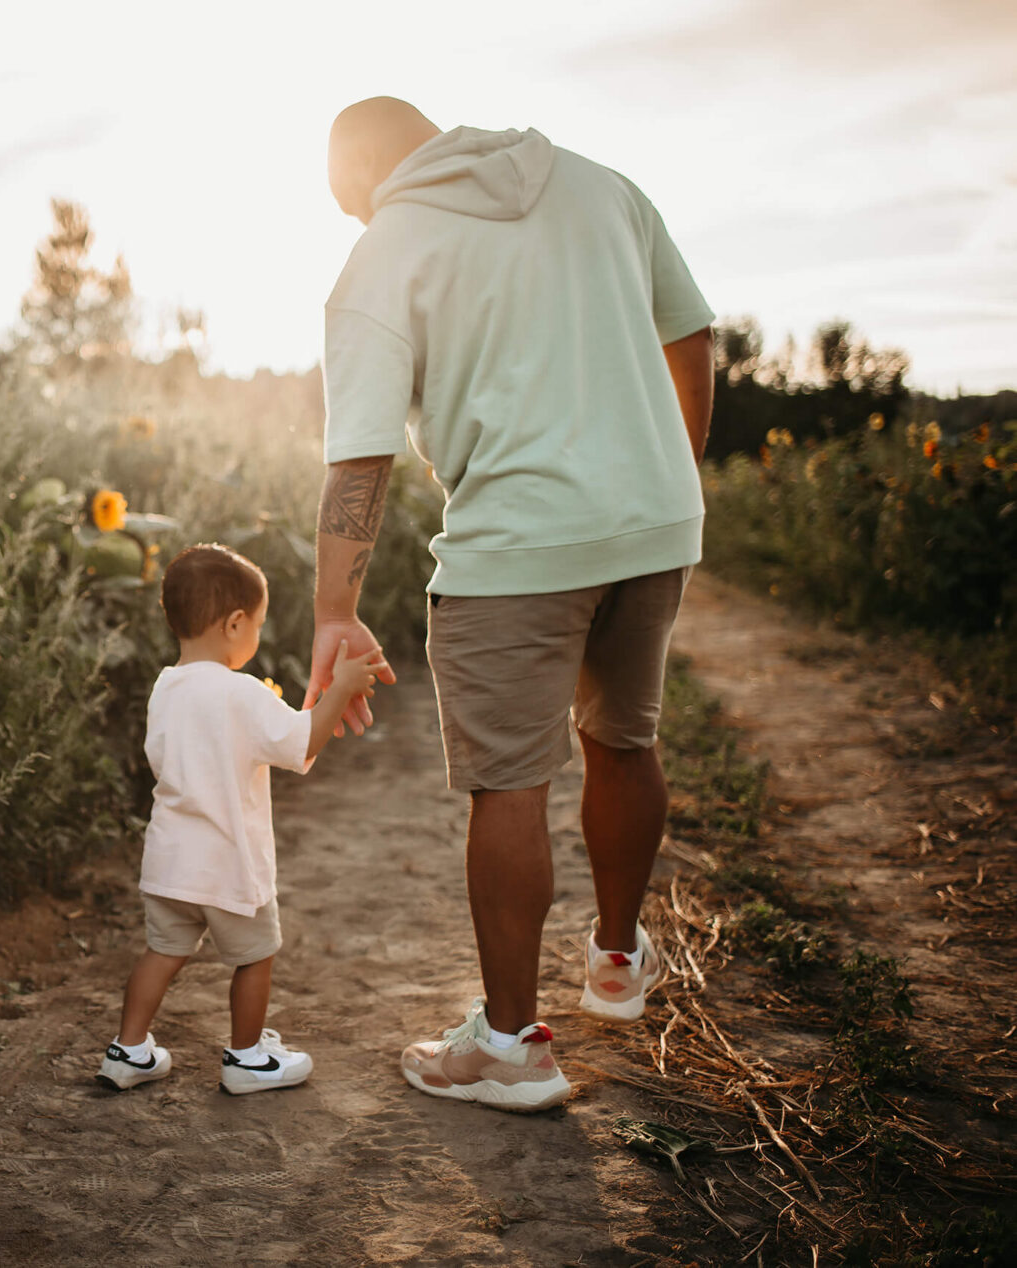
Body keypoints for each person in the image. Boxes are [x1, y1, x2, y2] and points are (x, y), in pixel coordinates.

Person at [303, 98, 716, 1112]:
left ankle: (508, 1044)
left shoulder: (385, 250)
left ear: (360, 176)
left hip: (515, 547)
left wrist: (331, 610)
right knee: (625, 738)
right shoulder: (600, 184)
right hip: (651, 524)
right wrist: (671, 474)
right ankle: (616, 962)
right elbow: (691, 332)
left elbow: (361, 454)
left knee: (510, 785)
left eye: (350, 203)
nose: (360, 220)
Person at [97, 543, 386, 1095]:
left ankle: (128, 1050)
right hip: (230, 868)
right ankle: (247, 1058)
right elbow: (301, 745)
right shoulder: (240, 691)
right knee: (255, 957)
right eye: (257, 623)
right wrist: (339, 689)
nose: (257, 634)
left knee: (162, 954)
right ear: (234, 624)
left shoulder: (165, 689)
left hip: (170, 865)